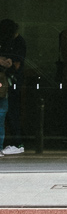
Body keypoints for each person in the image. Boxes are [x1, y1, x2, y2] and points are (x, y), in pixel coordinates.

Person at [0, 19, 26, 155]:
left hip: (12, 81)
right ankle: (16, 142)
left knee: (12, 111)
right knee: (10, 111)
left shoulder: (17, 42)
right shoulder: (15, 41)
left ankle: (17, 143)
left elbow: (16, 63)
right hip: (12, 81)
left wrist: (6, 61)